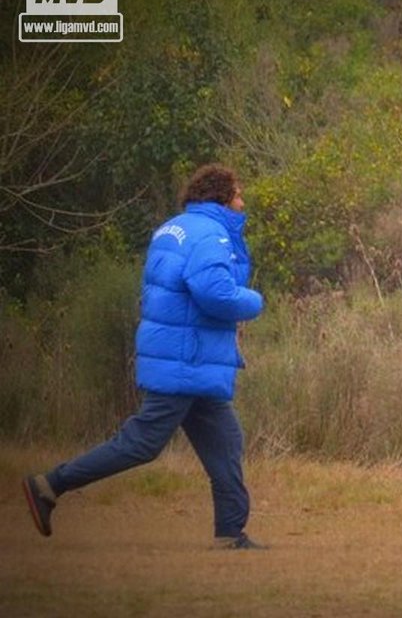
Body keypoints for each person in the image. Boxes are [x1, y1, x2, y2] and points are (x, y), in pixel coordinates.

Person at [21, 164, 266, 549]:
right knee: (140, 444)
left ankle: (230, 534)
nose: (242, 201)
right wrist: (254, 301)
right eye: (237, 194)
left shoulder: (173, 228)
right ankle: (50, 485)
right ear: (221, 197)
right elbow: (214, 293)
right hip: (185, 361)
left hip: (184, 360)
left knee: (226, 442)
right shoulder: (210, 234)